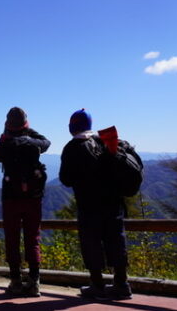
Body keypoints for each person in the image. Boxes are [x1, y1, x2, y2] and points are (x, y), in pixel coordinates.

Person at [59, 109, 137, 300]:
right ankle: (121, 284)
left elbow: (65, 179)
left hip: (89, 205)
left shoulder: (73, 147)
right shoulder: (106, 143)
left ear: (72, 126)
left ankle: (97, 285)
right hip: (114, 204)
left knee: (91, 243)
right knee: (116, 241)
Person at [0, 107, 50, 297]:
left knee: (12, 238)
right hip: (34, 196)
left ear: (8, 124)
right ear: (26, 123)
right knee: (33, 238)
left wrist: (7, 138)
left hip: (11, 197)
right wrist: (28, 138)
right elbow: (47, 143)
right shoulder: (33, 140)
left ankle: (15, 281)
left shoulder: (6, 141)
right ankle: (34, 282)